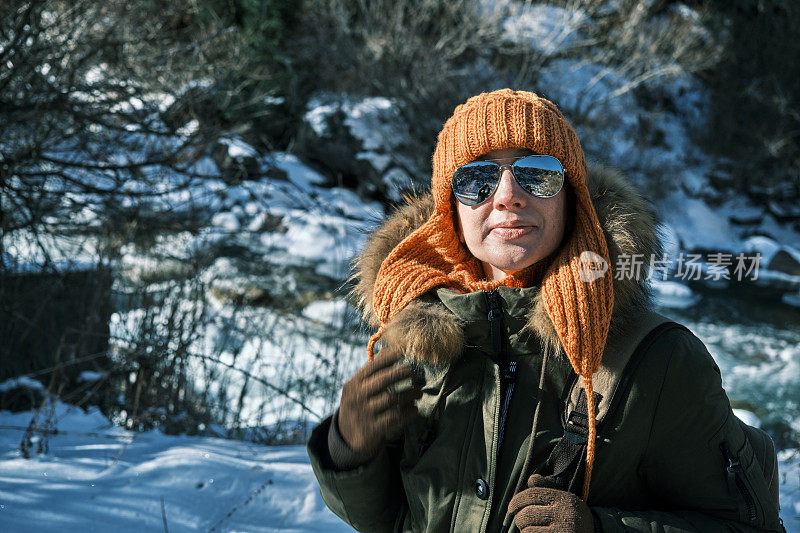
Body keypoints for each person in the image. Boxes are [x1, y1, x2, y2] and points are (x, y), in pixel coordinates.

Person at [306, 89, 784, 532]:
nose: (508, 194)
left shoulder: (660, 361)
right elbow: (394, 518)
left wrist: (601, 528)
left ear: (572, 198)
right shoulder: (413, 337)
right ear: (450, 208)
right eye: (476, 178)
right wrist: (348, 449)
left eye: (537, 172)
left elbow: (747, 525)